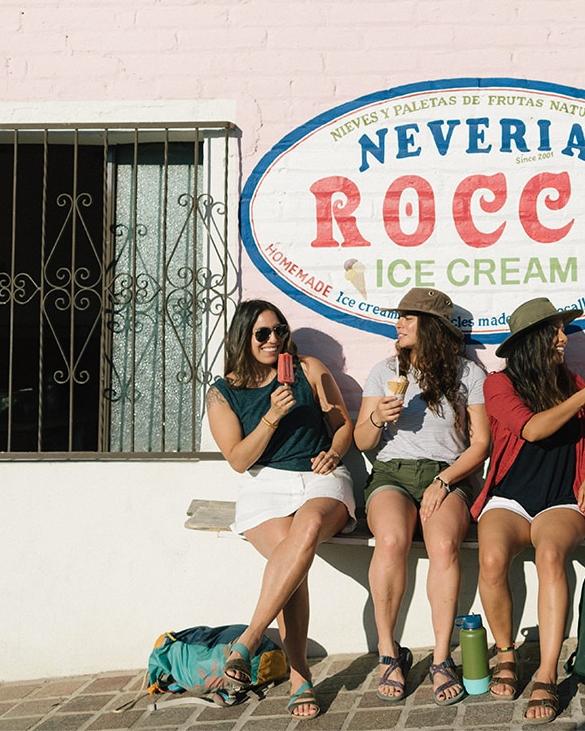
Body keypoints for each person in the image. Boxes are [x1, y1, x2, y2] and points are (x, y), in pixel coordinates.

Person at [205, 299, 356, 721]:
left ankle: (249, 640)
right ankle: (299, 674)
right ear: (243, 338)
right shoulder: (223, 392)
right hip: (264, 483)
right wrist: (271, 416)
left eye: (280, 331)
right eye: (263, 334)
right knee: (291, 565)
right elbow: (238, 459)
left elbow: (341, 424)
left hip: (319, 476)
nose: (274, 340)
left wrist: (332, 452)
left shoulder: (308, 369)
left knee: (304, 531)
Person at [472, 297, 585, 725]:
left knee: (551, 555)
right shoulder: (498, 384)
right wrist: (582, 397)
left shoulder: (574, 380)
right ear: (534, 341)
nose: (564, 339)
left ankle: (547, 673)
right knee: (491, 558)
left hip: (562, 496)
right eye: (556, 332)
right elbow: (531, 429)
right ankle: (507, 654)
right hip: (510, 496)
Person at [354, 288, 491, 706]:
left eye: (408, 318)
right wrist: (378, 417)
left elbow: (480, 443)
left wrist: (445, 481)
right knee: (392, 540)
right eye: (399, 317)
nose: (398, 323)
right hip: (392, 473)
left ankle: (440, 656)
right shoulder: (385, 370)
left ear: (430, 327)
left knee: (444, 544)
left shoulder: (468, 375)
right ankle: (388, 652)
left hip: (445, 474)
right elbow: (362, 440)